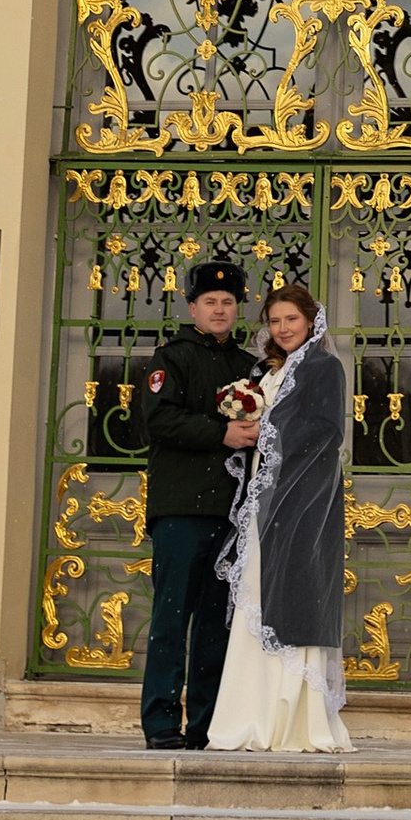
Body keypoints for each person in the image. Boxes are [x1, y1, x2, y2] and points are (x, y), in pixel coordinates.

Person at [206, 279, 351, 753]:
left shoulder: (324, 367)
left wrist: (266, 427)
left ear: (310, 320)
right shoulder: (268, 369)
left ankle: (290, 719)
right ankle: (251, 715)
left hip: (299, 503)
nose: (284, 328)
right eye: (275, 320)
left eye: (292, 319)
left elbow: (325, 431)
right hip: (262, 504)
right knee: (257, 597)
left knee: (290, 600)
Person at [136, 258, 261, 750]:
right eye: (210, 301)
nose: (220, 309)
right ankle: (162, 723)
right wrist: (221, 433)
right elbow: (159, 421)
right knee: (171, 620)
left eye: (228, 301)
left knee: (216, 626)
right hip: (182, 508)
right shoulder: (171, 359)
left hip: (231, 513)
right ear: (192, 306)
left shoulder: (247, 366)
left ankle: (207, 726)